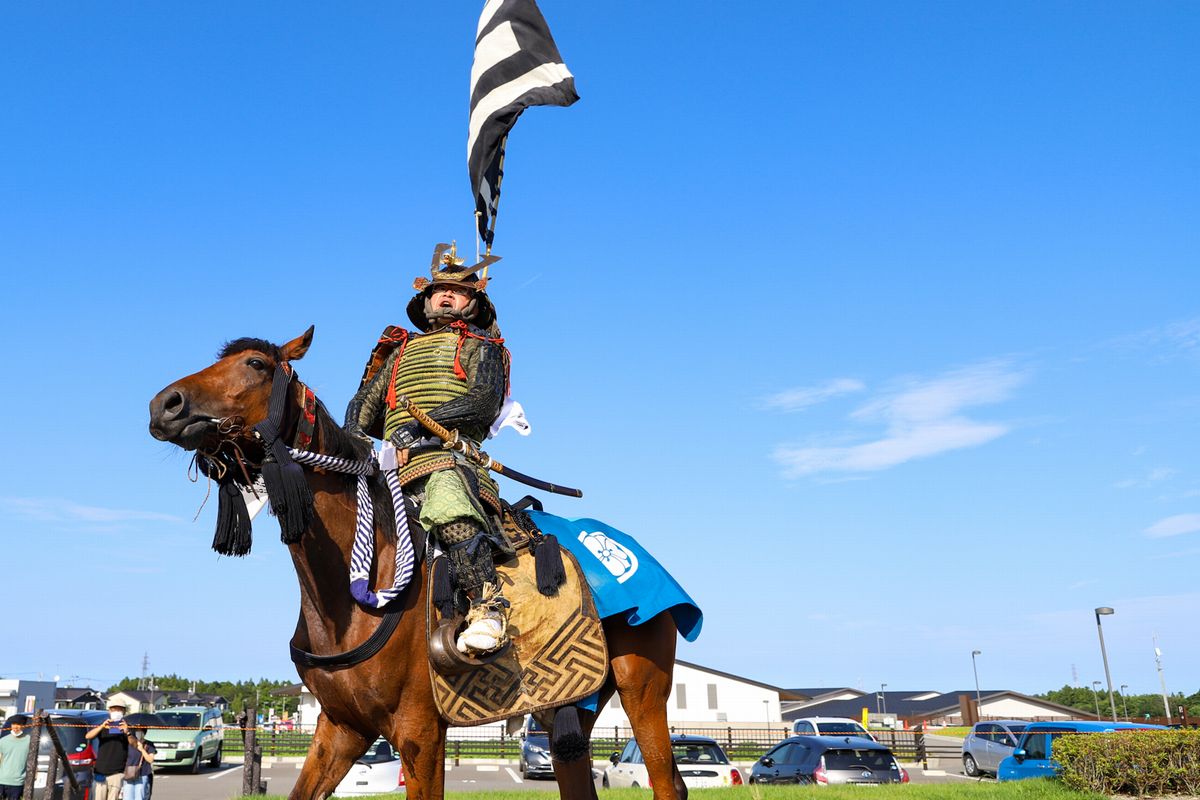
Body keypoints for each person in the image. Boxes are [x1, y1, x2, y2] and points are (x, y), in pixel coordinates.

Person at [346, 242, 513, 656]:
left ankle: (486, 605)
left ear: (474, 304)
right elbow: (362, 407)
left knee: (446, 497)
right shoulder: (399, 352)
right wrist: (360, 440)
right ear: (426, 299)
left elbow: (482, 400)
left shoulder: (482, 348)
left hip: (448, 456)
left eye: (457, 290)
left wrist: (415, 432)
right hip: (390, 464)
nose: (446, 294)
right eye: (439, 289)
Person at [86, 703, 131, 800]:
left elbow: (134, 743)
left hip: (117, 772)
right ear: (109, 711)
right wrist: (102, 726)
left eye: (119, 710)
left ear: (124, 712)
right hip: (100, 771)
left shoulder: (127, 727)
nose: (116, 712)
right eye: (114, 710)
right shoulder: (103, 726)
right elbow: (88, 736)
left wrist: (127, 732)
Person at [0, 714, 31, 800]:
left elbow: (33, 760)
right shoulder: (3, 741)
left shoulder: (30, 741)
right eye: (13, 724)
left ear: (24, 726)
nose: (15, 727)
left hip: (17, 782)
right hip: (1, 780)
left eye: (18, 724)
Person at [122, 724, 156, 800]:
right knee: (127, 797)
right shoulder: (128, 743)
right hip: (129, 774)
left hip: (143, 775)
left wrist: (142, 750)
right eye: (136, 730)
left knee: (140, 797)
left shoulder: (149, 744)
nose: (138, 732)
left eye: (140, 731)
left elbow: (150, 760)